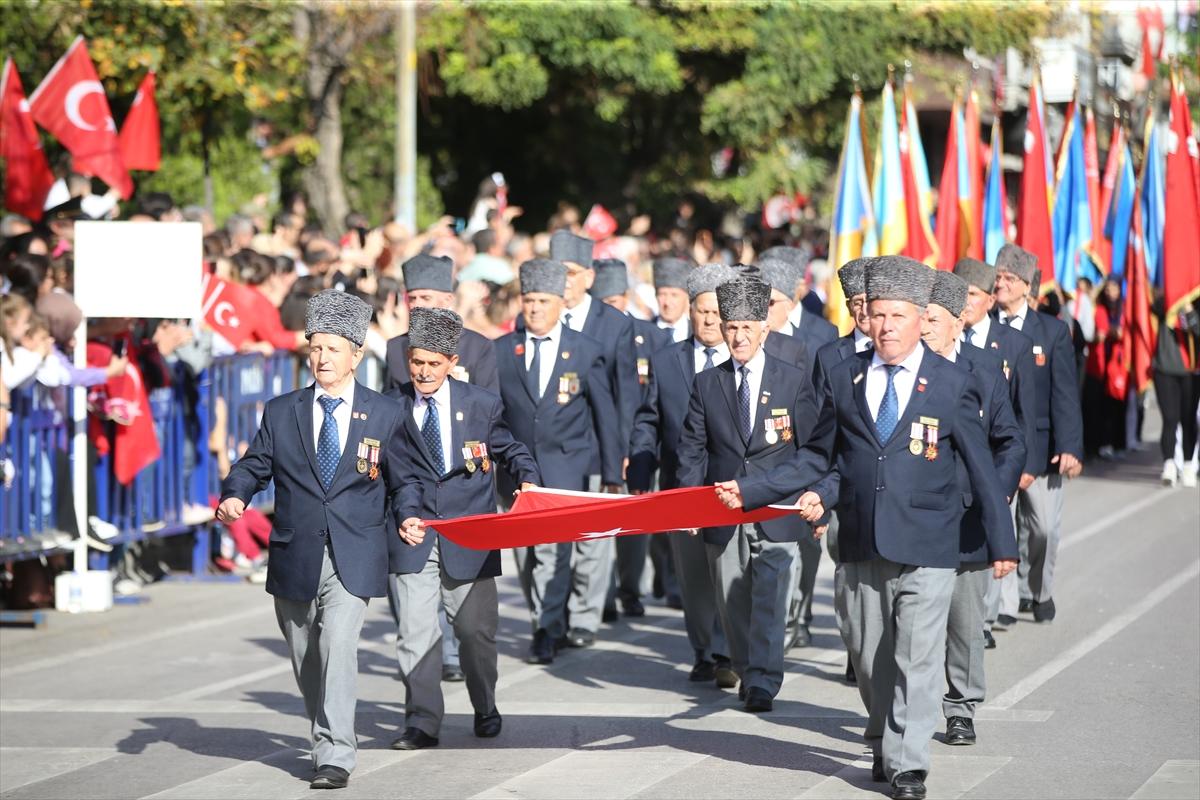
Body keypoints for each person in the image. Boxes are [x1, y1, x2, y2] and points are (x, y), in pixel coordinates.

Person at [714, 255, 1015, 800]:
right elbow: (819, 456)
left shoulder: (953, 382)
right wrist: (754, 490)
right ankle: (882, 734)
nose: (886, 326)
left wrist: (1001, 541)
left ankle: (907, 763)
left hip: (929, 543)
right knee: (870, 653)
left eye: (898, 315)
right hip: (858, 539)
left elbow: (980, 465)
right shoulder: (844, 375)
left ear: (922, 317)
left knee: (917, 655)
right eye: (877, 315)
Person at [216, 290, 424, 791]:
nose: (322, 358)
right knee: (307, 654)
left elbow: (406, 479)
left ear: (356, 355)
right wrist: (235, 494)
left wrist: (410, 515)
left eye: (334, 349)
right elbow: (254, 463)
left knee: (338, 645)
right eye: (315, 348)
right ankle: (324, 731)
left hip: (355, 550)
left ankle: (334, 753)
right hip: (295, 549)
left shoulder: (384, 412)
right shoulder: (283, 409)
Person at [386, 307, 540, 751]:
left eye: (435, 363)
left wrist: (526, 477)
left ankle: (484, 703)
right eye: (417, 362)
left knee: (474, 633)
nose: (424, 372)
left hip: (471, 535)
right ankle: (422, 720)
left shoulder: (481, 404)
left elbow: (510, 448)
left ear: (452, 362)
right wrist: (401, 515)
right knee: (415, 632)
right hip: (415, 533)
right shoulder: (392, 407)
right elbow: (394, 473)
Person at [675, 274, 816, 713]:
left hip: (777, 508)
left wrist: (816, 497)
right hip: (722, 507)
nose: (738, 336)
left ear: (764, 329)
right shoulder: (707, 383)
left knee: (771, 597)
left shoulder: (793, 379)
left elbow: (811, 447)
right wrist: (690, 502)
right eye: (731, 327)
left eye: (746, 328)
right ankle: (743, 664)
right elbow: (693, 448)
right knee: (731, 597)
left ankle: (763, 680)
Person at [493, 259, 622, 664]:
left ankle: (546, 629)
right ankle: (551, 619)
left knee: (553, 552)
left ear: (559, 304)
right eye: (528, 300)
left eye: (543, 301)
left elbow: (604, 413)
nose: (534, 309)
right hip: (514, 474)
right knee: (526, 556)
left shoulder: (586, 351)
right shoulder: (502, 351)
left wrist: (613, 471)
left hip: (566, 469)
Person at [919, 270, 1024, 746]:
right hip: (915, 515)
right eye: (919, 317)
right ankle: (909, 709)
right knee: (915, 622)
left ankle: (961, 706)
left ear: (957, 321)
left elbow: (1010, 441)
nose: (922, 328)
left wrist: (994, 495)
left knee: (964, 622)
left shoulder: (984, 372)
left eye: (933, 319)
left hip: (968, 518)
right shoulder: (906, 368)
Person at [629, 264, 740, 688]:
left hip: (731, 485)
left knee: (728, 573)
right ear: (689, 312)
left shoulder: (740, 355)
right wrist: (641, 464)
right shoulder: (666, 360)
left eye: (717, 313)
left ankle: (730, 650)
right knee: (693, 576)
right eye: (702, 312)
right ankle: (704, 652)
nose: (710, 321)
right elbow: (649, 417)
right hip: (682, 484)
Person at [547, 230, 636, 645]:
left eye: (569, 272)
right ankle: (553, 615)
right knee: (548, 543)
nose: (562, 281)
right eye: (556, 272)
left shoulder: (614, 323)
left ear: (588, 276)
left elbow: (624, 395)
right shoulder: (538, 316)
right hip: (550, 450)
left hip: (598, 447)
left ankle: (583, 618)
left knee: (593, 541)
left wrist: (620, 452)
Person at [991, 244, 1083, 624]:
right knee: (1002, 526)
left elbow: (1064, 393)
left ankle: (1038, 590)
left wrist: (1070, 446)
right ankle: (1006, 604)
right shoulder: (984, 327)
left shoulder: (1052, 330)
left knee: (1043, 529)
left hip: (1042, 449)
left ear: (1026, 286)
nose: (1000, 284)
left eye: (1008, 279)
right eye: (997, 277)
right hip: (997, 448)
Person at [590, 258, 672, 619]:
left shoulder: (650, 336)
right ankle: (603, 596)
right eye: (604, 304)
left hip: (640, 443)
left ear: (626, 297)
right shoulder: (589, 336)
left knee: (634, 525)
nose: (612, 310)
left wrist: (638, 447)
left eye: (616, 301)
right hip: (600, 442)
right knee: (599, 525)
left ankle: (630, 586)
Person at [386, 254, 500, 394]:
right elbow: (388, 403)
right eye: (412, 298)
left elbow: (489, 405)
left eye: (425, 298)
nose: (416, 305)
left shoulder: (478, 346)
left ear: (447, 300)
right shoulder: (395, 347)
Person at [1151, 294, 1200, 487]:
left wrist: (1190, 312)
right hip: (1165, 368)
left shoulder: (1196, 302)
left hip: (1191, 370)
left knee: (1188, 419)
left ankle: (1188, 464)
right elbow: (1152, 307)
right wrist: (1172, 294)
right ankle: (1169, 463)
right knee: (1170, 419)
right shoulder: (1166, 300)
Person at [652, 257, 694, 343]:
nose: (667, 302)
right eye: (662, 294)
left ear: (687, 297)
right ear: (655, 296)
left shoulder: (697, 333)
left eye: (674, 295)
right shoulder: (642, 332)